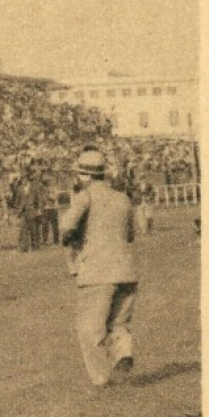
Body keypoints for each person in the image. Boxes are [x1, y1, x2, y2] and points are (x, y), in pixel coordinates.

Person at [58, 147, 138, 388]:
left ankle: (102, 380)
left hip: (97, 272)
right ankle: (123, 353)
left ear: (84, 175)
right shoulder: (123, 198)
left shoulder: (86, 196)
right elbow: (131, 234)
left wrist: (73, 239)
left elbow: (65, 226)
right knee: (119, 324)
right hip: (127, 270)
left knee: (89, 329)